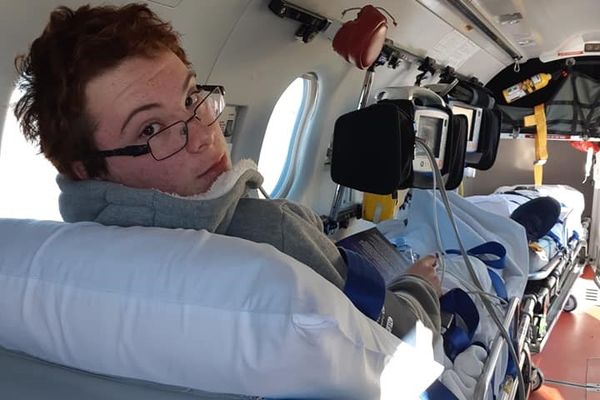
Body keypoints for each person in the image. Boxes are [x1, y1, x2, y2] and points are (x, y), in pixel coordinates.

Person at [14, 3, 441, 341]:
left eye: (190, 99)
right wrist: (418, 286)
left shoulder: (51, 272)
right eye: (151, 129)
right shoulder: (271, 236)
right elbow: (396, 339)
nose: (204, 134)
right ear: (89, 171)